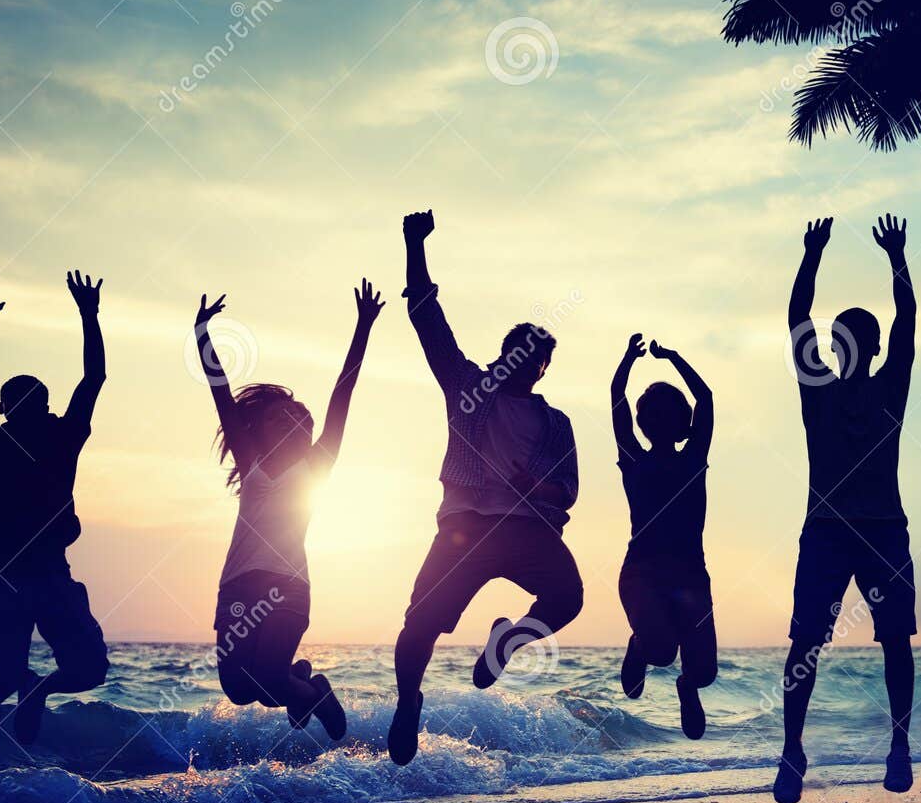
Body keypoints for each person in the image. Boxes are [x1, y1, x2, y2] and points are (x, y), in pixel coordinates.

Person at [390, 209, 582, 766]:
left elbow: (567, 492)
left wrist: (536, 487)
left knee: (568, 598)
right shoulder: (467, 388)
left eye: (536, 357)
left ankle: (507, 641)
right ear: (504, 352)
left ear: (544, 367)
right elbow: (427, 318)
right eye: (517, 351)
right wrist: (414, 245)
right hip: (465, 530)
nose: (527, 362)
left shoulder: (556, 423)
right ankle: (408, 704)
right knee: (419, 622)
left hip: (528, 531)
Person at [193, 282, 384, 740]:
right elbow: (220, 393)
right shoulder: (250, 459)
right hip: (238, 584)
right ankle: (305, 684)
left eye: (304, 417)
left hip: (287, 586)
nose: (298, 420)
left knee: (269, 681)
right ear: (261, 425)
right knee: (240, 690)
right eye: (286, 415)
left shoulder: (317, 463)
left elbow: (344, 392)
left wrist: (363, 326)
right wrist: (202, 332)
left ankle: (313, 690)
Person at [774, 214, 918, 803]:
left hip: (882, 530)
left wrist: (897, 258)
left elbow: (907, 323)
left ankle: (900, 744)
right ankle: (792, 750)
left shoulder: (890, 386)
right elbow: (796, 320)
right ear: (834, 348)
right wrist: (812, 255)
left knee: (895, 639)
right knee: (806, 641)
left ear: (874, 347)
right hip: (830, 531)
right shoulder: (820, 390)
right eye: (839, 340)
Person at [0, 273, 111, 766]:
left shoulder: (36, 438)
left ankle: (32, 690)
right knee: (7, 679)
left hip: (47, 574)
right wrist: (88, 314)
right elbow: (92, 380)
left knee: (84, 670)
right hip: (8, 576)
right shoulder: (7, 440)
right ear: (12, 409)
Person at [610, 333, 717, 738]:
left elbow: (705, 398)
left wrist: (675, 356)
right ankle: (639, 645)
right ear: (643, 422)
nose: (659, 419)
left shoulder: (694, 458)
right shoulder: (633, 458)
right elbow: (617, 398)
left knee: (703, 673)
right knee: (659, 652)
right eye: (651, 413)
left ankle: (686, 687)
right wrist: (627, 361)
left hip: (691, 574)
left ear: (682, 421)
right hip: (643, 572)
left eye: (669, 413)